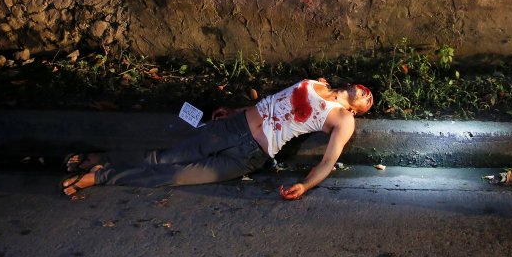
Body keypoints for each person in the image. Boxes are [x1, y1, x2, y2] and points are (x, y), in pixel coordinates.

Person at [60, 79, 373, 201]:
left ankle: (100, 175)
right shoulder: (317, 81)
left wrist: (304, 185)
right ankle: (100, 157)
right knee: (165, 157)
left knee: (177, 175)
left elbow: (328, 161)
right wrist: (237, 110)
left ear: (355, 111)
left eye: (369, 101)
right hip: (233, 127)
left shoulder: (343, 120)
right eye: (367, 91)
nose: (367, 95)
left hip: (249, 156)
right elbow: (273, 100)